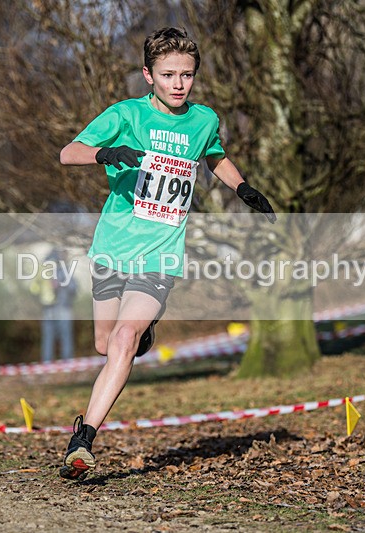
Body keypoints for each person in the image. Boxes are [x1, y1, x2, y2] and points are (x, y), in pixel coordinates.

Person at [57, 27, 276, 480]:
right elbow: (67, 153)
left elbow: (213, 156)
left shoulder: (203, 120)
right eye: (169, 74)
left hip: (159, 256)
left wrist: (242, 187)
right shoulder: (125, 114)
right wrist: (104, 153)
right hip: (112, 249)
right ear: (148, 74)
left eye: (187, 75)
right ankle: (140, 335)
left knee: (122, 340)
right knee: (106, 343)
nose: (179, 84)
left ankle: (84, 440)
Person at [31, 248, 78, 363]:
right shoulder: (63, 269)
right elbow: (73, 288)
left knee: (48, 336)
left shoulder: (42, 270)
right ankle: (67, 361)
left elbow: (34, 290)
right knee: (65, 335)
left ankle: (47, 361)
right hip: (62, 307)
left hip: (47, 308)